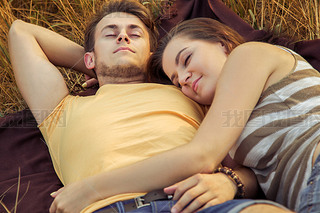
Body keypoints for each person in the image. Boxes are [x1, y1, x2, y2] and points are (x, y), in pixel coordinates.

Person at [8, 0, 291, 212]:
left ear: (153, 55)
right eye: (111, 33)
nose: (123, 36)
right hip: (111, 207)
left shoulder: (191, 92)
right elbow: (21, 32)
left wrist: (232, 182)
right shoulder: (60, 111)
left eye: (135, 33)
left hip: (194, 201)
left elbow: (250, 163)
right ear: (89, 58)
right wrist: (99, 64)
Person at [147, 17, 320, 213]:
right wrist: (230, 181)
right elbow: (256, 175)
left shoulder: (249, 54)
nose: (184, 78)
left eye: (186, 60)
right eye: (177, 82)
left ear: (223, 42)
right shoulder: (225, 129)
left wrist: (104, 187)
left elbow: (201, 155)